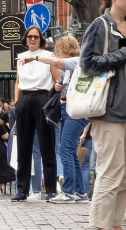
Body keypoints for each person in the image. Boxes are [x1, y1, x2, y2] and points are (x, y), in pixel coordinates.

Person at [68, 0, 126, 230]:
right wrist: (125, 53)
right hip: (109, 109)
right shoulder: (100, 26)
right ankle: (102, 228)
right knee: (110, 169)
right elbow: (88, 63)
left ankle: (117, 225)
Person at [19, 35, 90, 204]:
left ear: (66, 50)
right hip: (69, 109)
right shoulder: (73, 67)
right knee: (71, 151)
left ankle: (68, 192)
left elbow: (56, 63)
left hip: (75, 111)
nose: (57, 54)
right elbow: (67, 84)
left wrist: (34, 57)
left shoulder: (76, 61)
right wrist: (60, 86)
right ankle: (80, 191)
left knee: (65, 149)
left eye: (58, 51)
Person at [12, 25, 60, 202]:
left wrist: (55, 93)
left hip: (42, 98)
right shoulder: (21, 58)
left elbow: (57, 79)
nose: (32, 39)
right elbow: (17, 82)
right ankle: (22, 190)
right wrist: (17, 103)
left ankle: (50, 189)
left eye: (36, 37)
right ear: (25, 39)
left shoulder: (48, 56)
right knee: (23, 147)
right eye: (30, 36)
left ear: (41, 39)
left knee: (47, 145)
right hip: (25, 99)